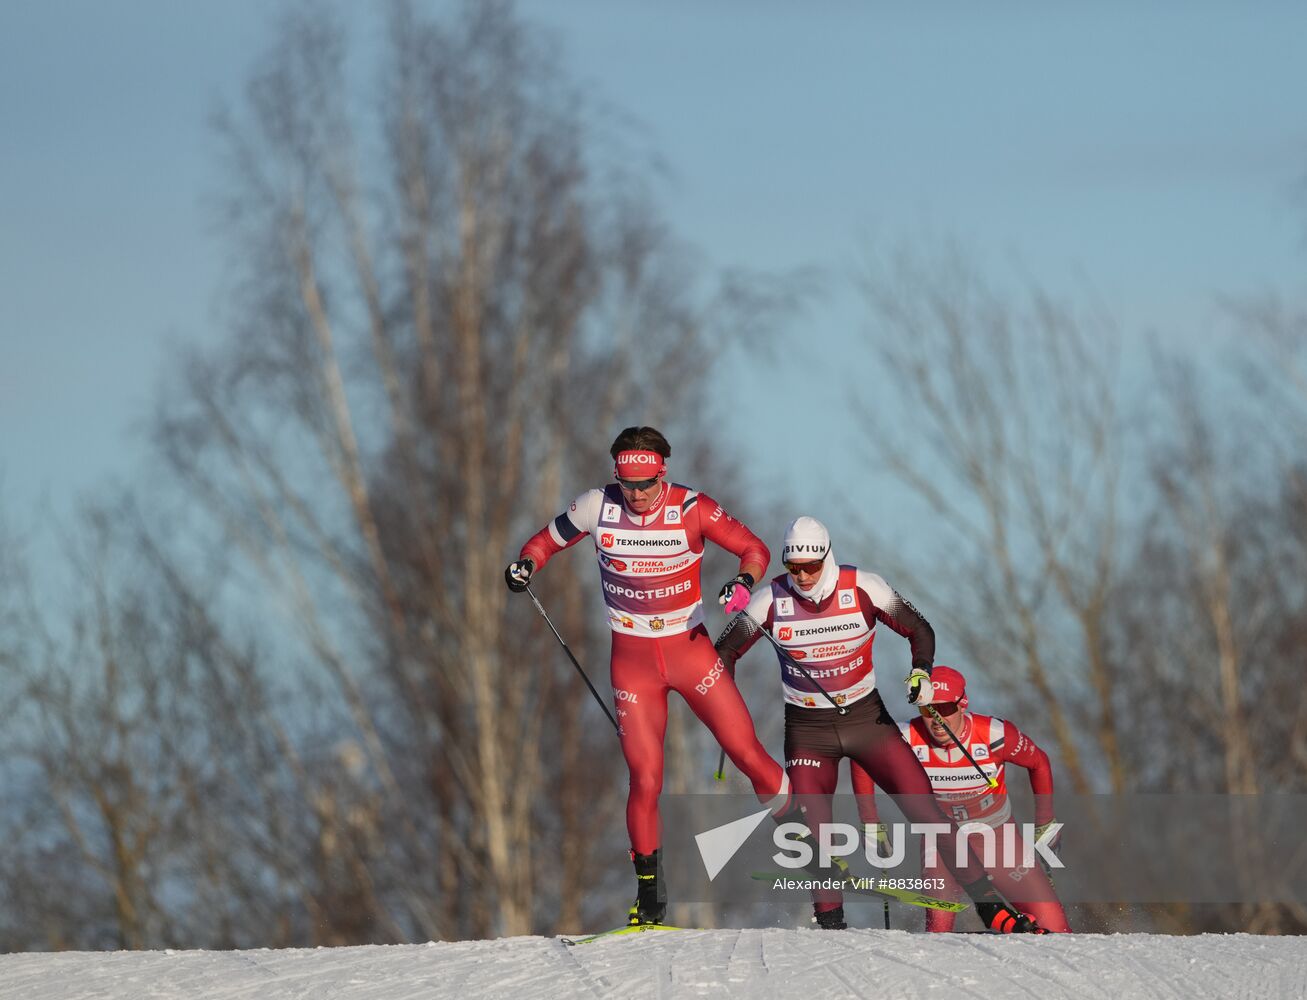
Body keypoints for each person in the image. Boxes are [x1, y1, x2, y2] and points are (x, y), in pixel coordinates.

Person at [504, 426, 791, 926]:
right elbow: (544, 541)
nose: (637, 495)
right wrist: (525, 565)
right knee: (645, 778)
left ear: (664, 473)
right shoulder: (598, 506)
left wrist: (742, 585)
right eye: (628, 483)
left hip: (691, 650)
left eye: (647, 484)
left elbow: (755, 550)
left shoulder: (691, 509)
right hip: (632, 662)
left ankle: (816, 844)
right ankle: (651, 896)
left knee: (749, 756)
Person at [714, 515, 1044, 933]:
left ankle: (991, 908)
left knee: (928, 811)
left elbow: (919, 629)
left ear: (826, 558)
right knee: (815, 831)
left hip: (867, 721)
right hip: (808, 731)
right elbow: (723, 653)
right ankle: (831, 925)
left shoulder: (864, 587)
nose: (802, 576)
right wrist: (726, 703)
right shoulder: (768, 601)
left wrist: (921, 672)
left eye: (810, 567)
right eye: (792, 567)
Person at [853, 666, 1071, 932]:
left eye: (944, 709)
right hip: (942, 842)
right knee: (939, 932)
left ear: (962, 705)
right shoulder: (906, 738)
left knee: (1057, 932)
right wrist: (870, 822)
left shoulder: (994, 735)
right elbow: (862, 761)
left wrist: (1045, 822)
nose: (936, 720)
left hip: (996, 837)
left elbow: (1039, 763)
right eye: (927, 710)